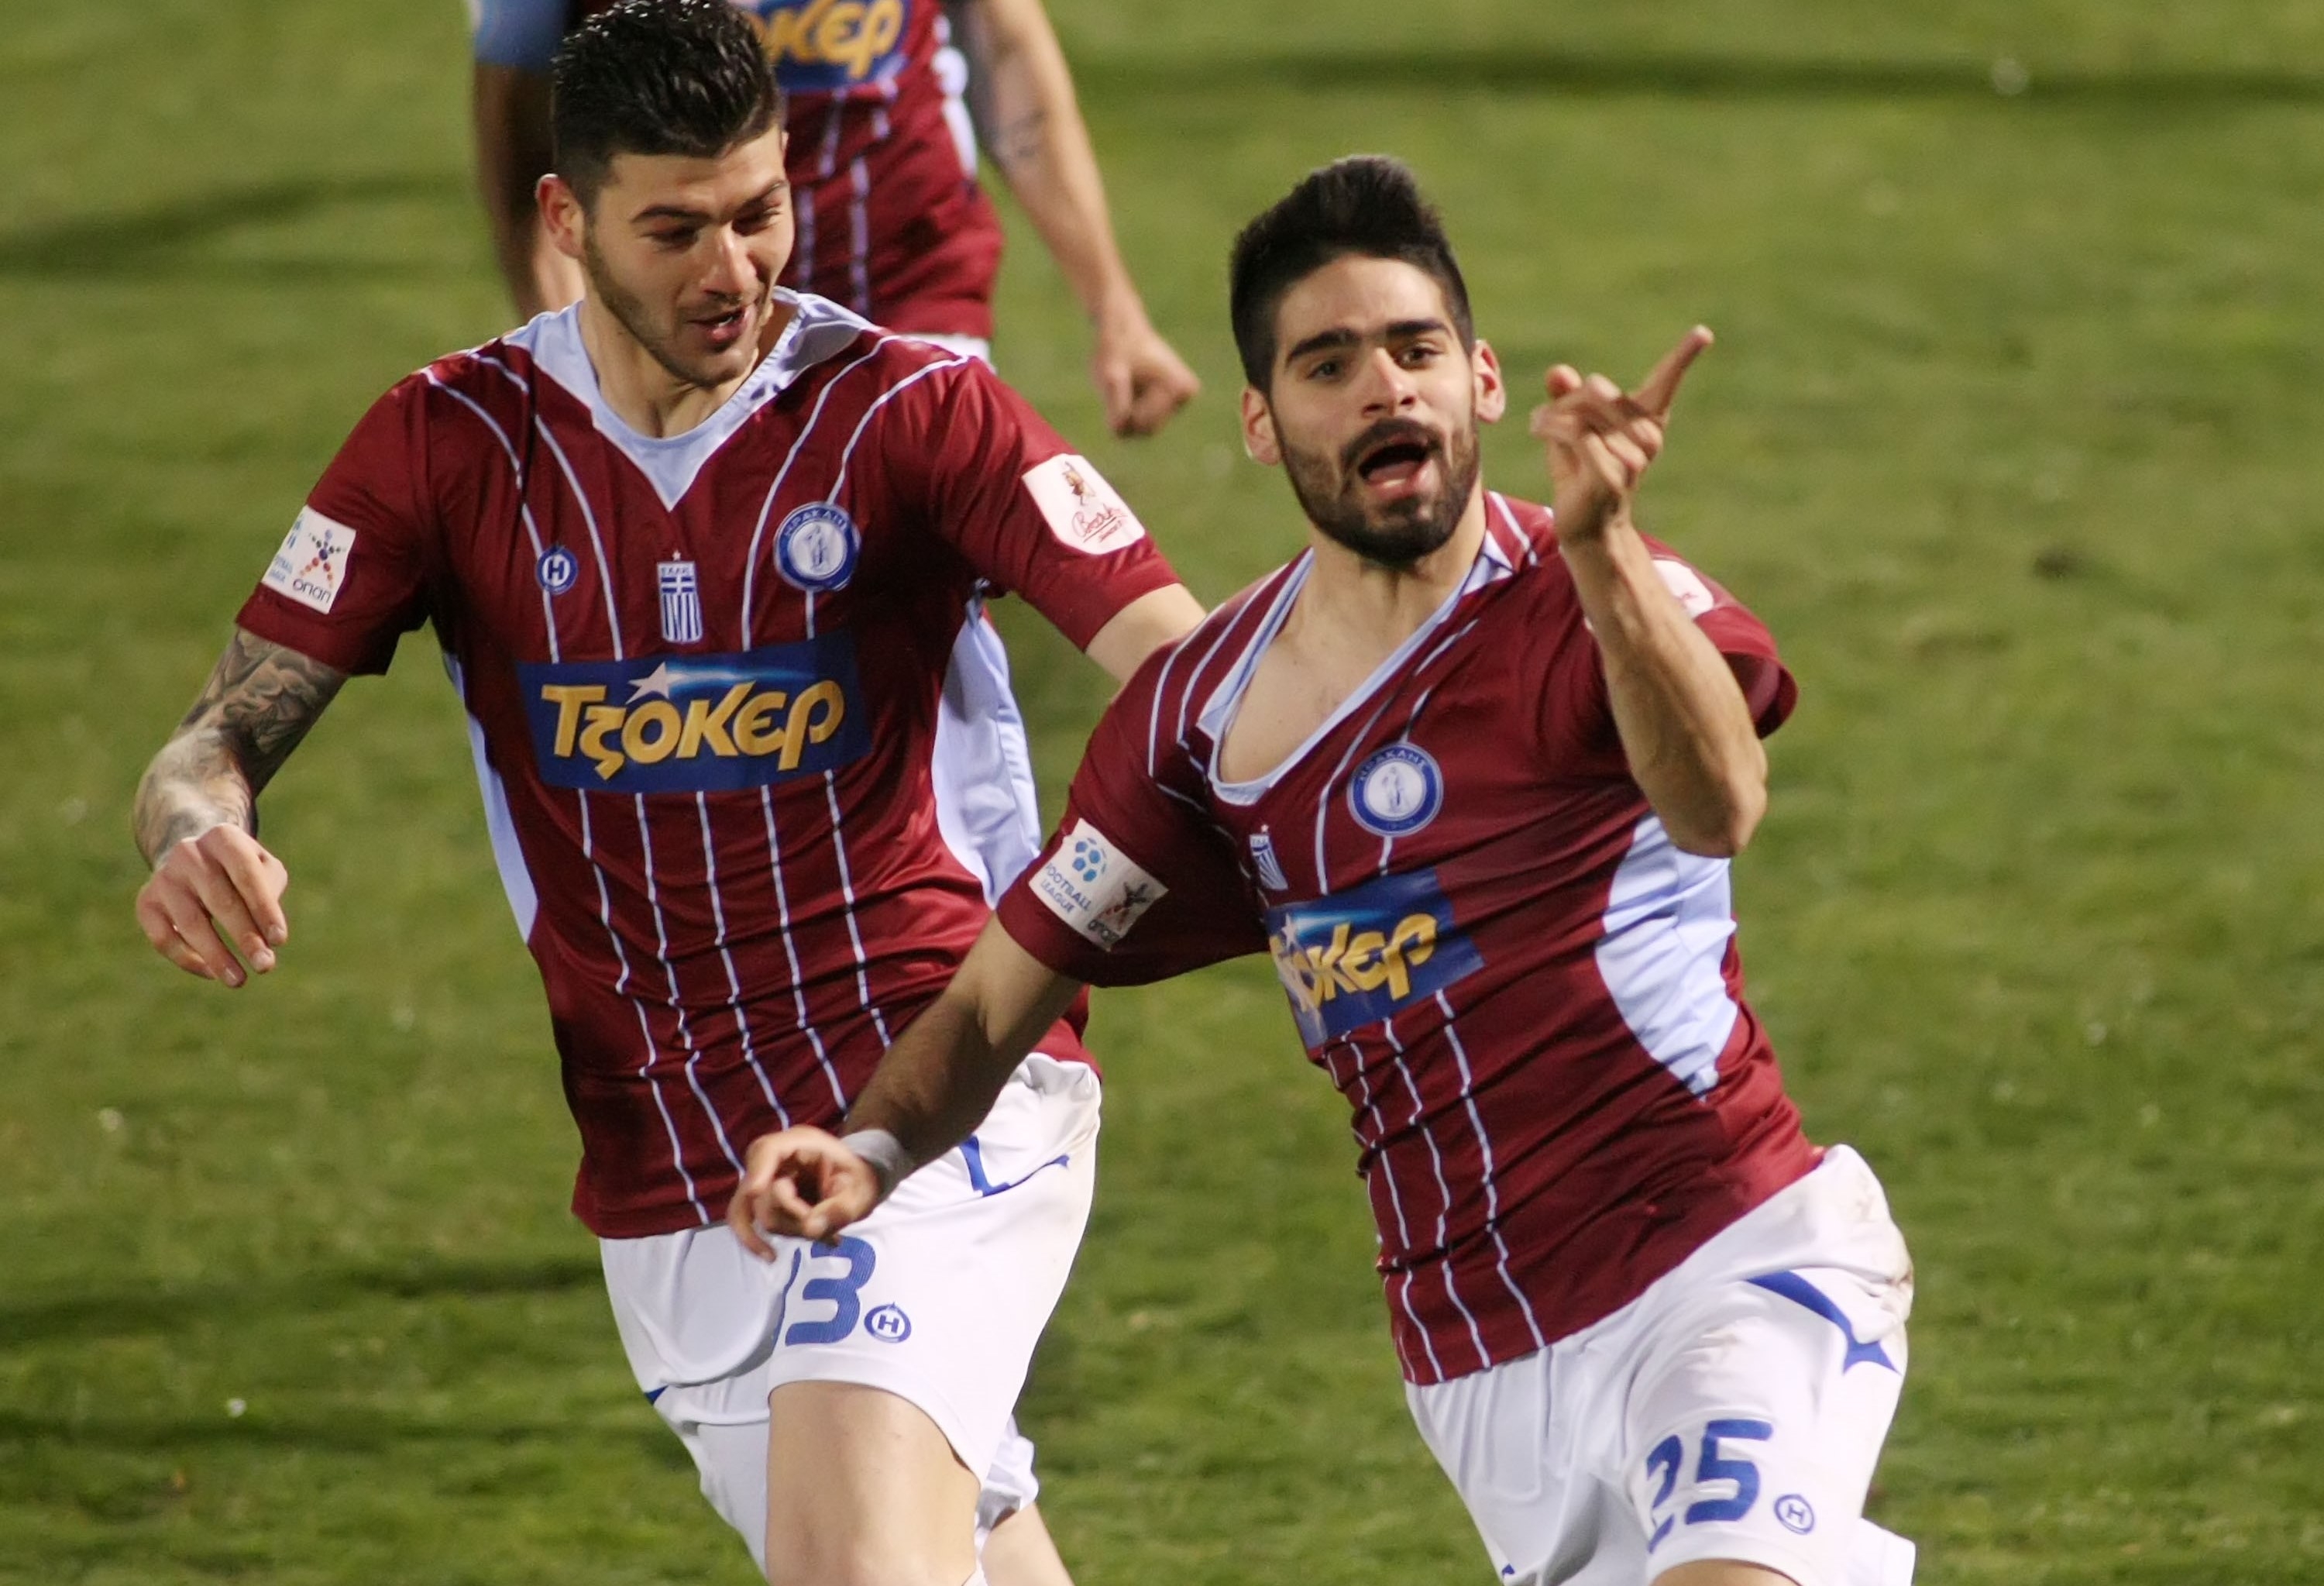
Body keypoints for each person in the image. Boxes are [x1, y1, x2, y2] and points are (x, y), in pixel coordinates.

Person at [729, 156, 1920, 1586]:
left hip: (1727, 1266)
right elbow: (997, 998)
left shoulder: (1595, 599)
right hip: (1481, 1366)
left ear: (1483, 379)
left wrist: (1602, 552)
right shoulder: (1199, 723)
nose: (1384, 389)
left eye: (1417, 349)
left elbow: (1720, 803)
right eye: (1329, 363)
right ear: (1261, 420)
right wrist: (865, 1153)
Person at [130, 4, 1206, 1583]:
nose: (735, 269)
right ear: (566, 220)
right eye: (678, 228)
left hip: (935, 1093)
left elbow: (1191, 678)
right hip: (669, 1182)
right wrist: (198, 828)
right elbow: (207, 741)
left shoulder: (911, 407)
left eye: (761, 212)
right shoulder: (452, 441)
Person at [469, 0, 1200, 438]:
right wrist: (582, 367)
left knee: (913, 594)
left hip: (904, 289)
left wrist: (1115, 310)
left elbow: (1005, 52)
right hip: (682, 323)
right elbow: (524, 140)